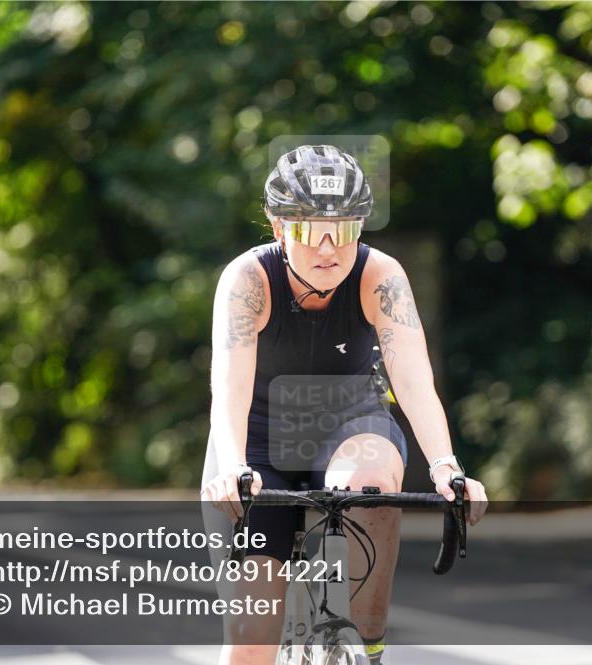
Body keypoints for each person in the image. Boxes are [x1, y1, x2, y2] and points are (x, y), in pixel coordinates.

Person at [201, 144, 488, 665]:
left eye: (347, 229)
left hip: (353, 427)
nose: (330, 248)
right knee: (248, 646)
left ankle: (363, 645)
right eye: (311, 230)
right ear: (277, 225)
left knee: (371, 487)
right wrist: (234, 467)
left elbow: (413, 377)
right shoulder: (248, 281)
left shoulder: (382, 276)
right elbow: (230, 386)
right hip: (258, 443)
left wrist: (447, 466)